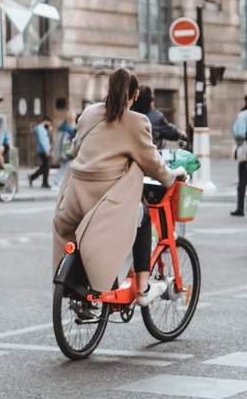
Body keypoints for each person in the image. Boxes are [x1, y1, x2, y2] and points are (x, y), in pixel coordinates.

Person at [53, 68, 185, 306]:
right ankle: (143, 289)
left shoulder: (89, 113)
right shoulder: (136, 121)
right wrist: (172, 176)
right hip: (107, 201)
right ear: (135, 95)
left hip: (74, 197)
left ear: (109, 90)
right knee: (143, 217)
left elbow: (76, 149)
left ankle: (80, 284)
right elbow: (153, 163)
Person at [28, 116, 53, 188]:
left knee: (46, 166)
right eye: (49, 123)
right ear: (45, 121)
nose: (49, 124)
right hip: (43, 150)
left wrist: (49, 131)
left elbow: (47, 138)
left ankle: (45, 182)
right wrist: (46, 151)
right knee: (46, 166)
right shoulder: (40, 128)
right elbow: (43, 140)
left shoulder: (43, 128)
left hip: (44, 149)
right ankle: (32, 177)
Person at [232, 96, 247, 217]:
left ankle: (240, 208)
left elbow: (238, 134)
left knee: (242, 181)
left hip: (245, 152)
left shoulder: (242, 115)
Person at [55, 110, 77, 184]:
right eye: (74, 117)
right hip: (66, 150)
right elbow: (65, 141)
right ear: (72, 118)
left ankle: (57, 181)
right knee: (67, 166)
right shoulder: (67, 127)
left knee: (63, 166)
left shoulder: (64, 126)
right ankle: (60, 181)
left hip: (63, 150)